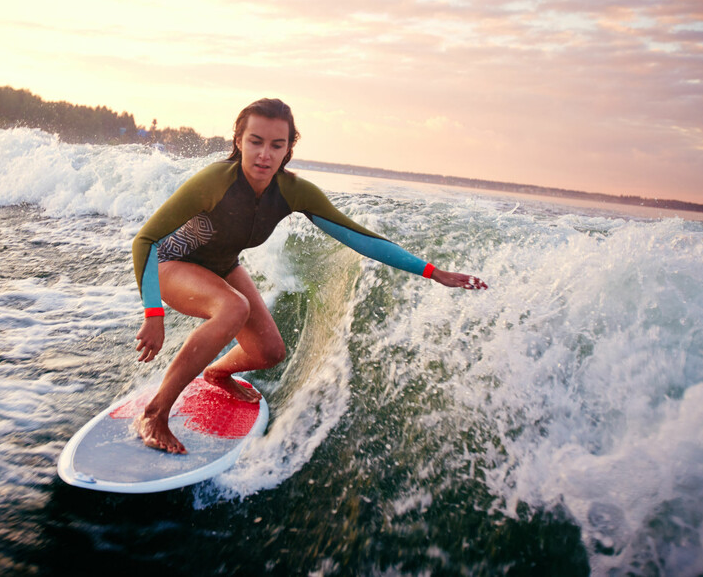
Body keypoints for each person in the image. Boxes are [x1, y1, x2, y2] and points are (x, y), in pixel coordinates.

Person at [131, 98, 487, 454]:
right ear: (238, 139)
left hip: (222, 265)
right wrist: (153, 314)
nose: (264, 155)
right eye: (255, 141)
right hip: (168, 264)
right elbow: (145, 240)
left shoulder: (292, 191)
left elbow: (360, 237)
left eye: (277, 144)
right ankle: (156, 412)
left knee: (269, 352)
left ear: (288, 148)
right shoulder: (214, 181)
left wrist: (432, 271)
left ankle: (217, 373)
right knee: (233, 307)